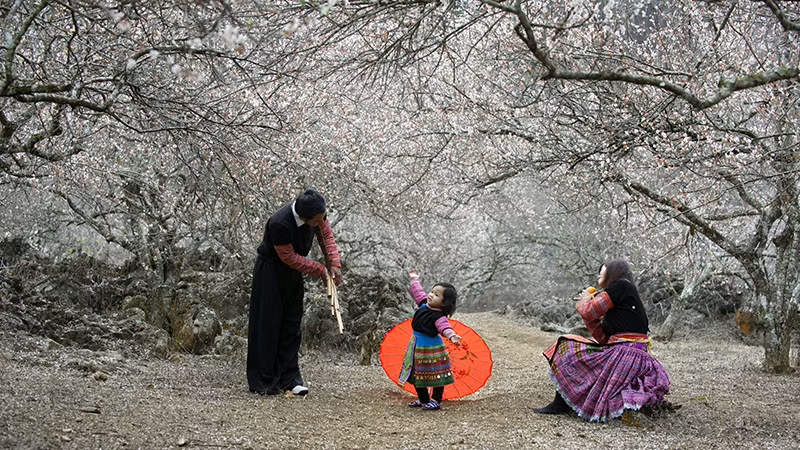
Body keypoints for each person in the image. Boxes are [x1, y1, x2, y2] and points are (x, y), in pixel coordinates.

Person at [534, 259, 670, 421]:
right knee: (578, 350)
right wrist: (589, 308)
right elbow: (603, 338)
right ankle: (565, 401)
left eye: (602, 270)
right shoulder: (622, 297)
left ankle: (561, 403)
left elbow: (590, 311)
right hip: (630, 353)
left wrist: (585, 299)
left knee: (566, 344)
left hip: (626, 353)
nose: (598, 274)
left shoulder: (621, 285)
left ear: (615, 272)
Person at [247, 188, 342, 396]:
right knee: (268, 325)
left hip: (292, 274)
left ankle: (289, 378)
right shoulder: (279, 223)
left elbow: (326, 235)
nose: (322, 221)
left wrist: (333, 263)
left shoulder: (317, 214)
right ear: (304, 217)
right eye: (317, 220)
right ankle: (264, 380)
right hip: (270, 272)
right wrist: (320, 270)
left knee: (292, 324)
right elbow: (289, 257)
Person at [397, 270, 461, 411]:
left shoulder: (438, 316)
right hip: (416, 346)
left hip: (432, 349)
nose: (431, 295)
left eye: (436, 295)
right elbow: (418, 292)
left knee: (436, 373)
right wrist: (414, 279)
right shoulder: (423, 305)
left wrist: (451, 335)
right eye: (432, 291)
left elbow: (444, 327)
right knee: (417, 373)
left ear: (444, 303)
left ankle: (436, 400)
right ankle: (423, 399)